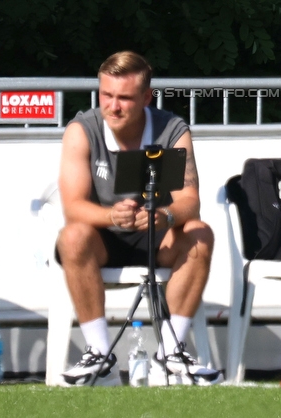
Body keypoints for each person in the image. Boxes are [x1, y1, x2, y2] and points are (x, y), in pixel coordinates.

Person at [55, 51, 222, 386]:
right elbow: (72, 207)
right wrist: (110, 215)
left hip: (158, 236)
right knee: (72, 235)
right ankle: (99, 353)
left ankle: (172, 353)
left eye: (125, 98)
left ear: (146, 97)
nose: (113, 107)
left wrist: (166, 215)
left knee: (200, 233)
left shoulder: (172, 129)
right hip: (103, 239)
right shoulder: (81, 129)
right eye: (107, 95)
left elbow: (191, 201)